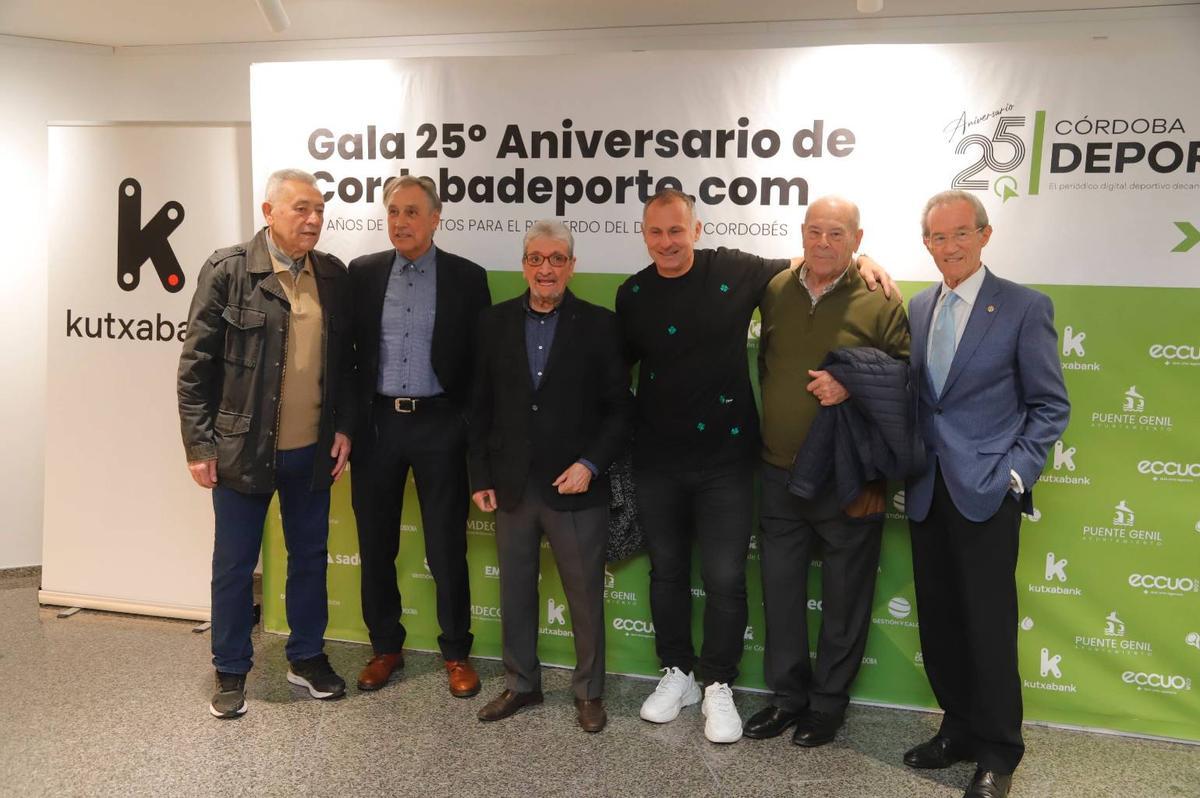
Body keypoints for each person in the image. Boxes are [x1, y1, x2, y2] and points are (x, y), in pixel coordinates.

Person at [614, 189, 896, 744]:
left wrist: (863, 260)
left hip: (727, 460)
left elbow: (814, 259)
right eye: (656, 232)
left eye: (677, 230)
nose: (667, 242)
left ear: (695, 229)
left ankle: (718, 681)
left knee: (724, 577)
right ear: (644, 234)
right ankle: (678, 673)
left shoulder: (737, 269)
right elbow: (615, 374)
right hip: (659, 461)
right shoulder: (633, 293)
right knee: (667, 573)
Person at [903, 190, 1069, 798]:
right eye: (937, 238)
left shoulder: (1024, 307)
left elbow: (1050, 405)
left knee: (988, 626)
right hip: (926, 490)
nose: (949, 247)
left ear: (985, 234)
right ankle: (959, 729)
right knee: (941, 622)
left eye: (960, 235)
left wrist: (1016, 475)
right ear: (926, 243)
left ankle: (999, 749)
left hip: (986, 492)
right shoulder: (919, 307)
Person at [178, 168, 354, 718]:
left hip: (311, 452)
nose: (314, 219)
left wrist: (343, 427)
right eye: (301, 208)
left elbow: (344, 364)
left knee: (309, 558)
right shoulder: (229, 271)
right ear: (268, 211)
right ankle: (231, 670)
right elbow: (195, 367)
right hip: (240, 450)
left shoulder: (331, 274)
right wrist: (199, 445)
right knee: (233, 566)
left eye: (320, 209)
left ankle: (306, 657)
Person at [745, 196, 910, 747]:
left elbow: (907, 380)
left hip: (850, 475)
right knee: (781, 592)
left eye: (836, 234)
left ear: (858, 241)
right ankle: (788, 699)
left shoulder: (880, 298)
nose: (822, 242)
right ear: (801, 234)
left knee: (845, 598)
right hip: (777, 472)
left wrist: (852, 384)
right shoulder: (775, 290)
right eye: (814, 231)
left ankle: (828, 706)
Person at [467, 220, 633, 732]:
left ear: (571, 266)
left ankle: (588, 692)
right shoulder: (492, 323)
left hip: (576, 486)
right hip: (513, 484)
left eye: (557, 259)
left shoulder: (601, 325)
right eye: (536, 259)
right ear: (524, 265)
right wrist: (479, 476)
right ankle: (521, 684)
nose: (546, 268)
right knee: (515, 591)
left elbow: (620, 410)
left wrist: (589, 465)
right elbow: (478, 407)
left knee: (584, 595)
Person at [347, 175, 490, 698]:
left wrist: (470, 434)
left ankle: (456, 653)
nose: (400, 222)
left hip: (439, 424)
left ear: (435, 218)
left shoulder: (466, 278)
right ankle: (385, 647)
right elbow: (348, 359)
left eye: (411, 213)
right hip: (378, 425)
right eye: (392, 212)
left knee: (446, 546)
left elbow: (479, 368)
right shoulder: (361, 274)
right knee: (375, 543)